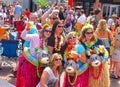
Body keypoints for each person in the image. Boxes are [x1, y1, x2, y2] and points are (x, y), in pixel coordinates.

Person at [16, 13, 41, 87]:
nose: (34, 19)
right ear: (30, 18)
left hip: (32, 47)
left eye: (36, 17)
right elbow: (24, 35)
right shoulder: (30, 26)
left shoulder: (35, 26)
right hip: (28, 47)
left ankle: (16, 70)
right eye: (33, 17)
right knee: (26, 64)